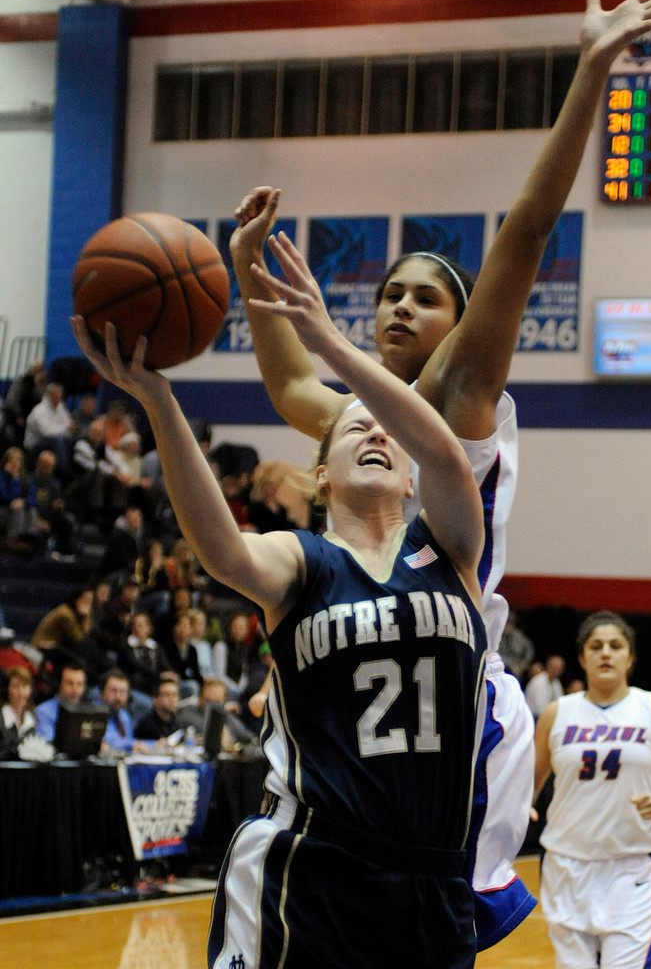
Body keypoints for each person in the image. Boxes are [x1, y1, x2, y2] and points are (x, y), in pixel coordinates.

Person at [229, 0, 651, 949]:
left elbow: (524, 234)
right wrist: (245, 271)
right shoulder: (352, 413)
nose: (399, 305)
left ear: (459, 323)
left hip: (455, 702)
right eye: (389, 292)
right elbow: (286, 388)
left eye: (426, 297)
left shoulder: (461, 395)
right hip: (367, 671)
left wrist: (590, 73)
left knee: (411, 914)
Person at [70, 219, 487, 969]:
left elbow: (447, 456)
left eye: (388, 429)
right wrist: (160, 403)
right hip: (311, 866)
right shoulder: (302, 561)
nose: (375, 433)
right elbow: (221, 549)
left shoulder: (450, 546)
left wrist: (328, 343)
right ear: (320, 474)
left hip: (432, 880)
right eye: (353, 426)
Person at [533, 610, 651, 969]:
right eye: (596, 646)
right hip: (566, 864)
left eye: (615, 646)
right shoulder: (556, 713)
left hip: (630, 866)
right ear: (582, 658)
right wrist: (518, 808)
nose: (605, 653)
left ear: (630, 658)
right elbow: (528, 785)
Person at [35, 660, 88, 742]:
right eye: (70, 683)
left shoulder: (88, 711)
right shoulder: (43, 711)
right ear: (59, 684)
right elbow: (48, 744)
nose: (75, 690)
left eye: (79, 684)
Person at [0, 666, 38, 758]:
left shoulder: (34, 717)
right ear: (7, 690)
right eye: (15, 687)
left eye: (24, 686)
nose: (21, 693)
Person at [97, 667, 135, 754]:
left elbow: (129, 742)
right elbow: (109, 742)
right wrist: (133, 744)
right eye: (113, 691)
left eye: (122, 692)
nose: (118, 697)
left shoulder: (124, 716)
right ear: (102, 692)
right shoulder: (94, 714)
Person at [134, 674, 183, 741]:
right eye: (167, 695)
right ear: (155, 699)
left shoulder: (178, 722)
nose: (172, 699)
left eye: (174, 695)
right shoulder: (147, 726)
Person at [525, 653, 566, 719]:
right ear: (548, 666)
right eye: (555, 668)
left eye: (559, 669)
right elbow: (540, 710)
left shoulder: (556, 682)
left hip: (548, 717)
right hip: (533, 718)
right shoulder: (539, 681)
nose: (557, 671)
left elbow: (560, 703)